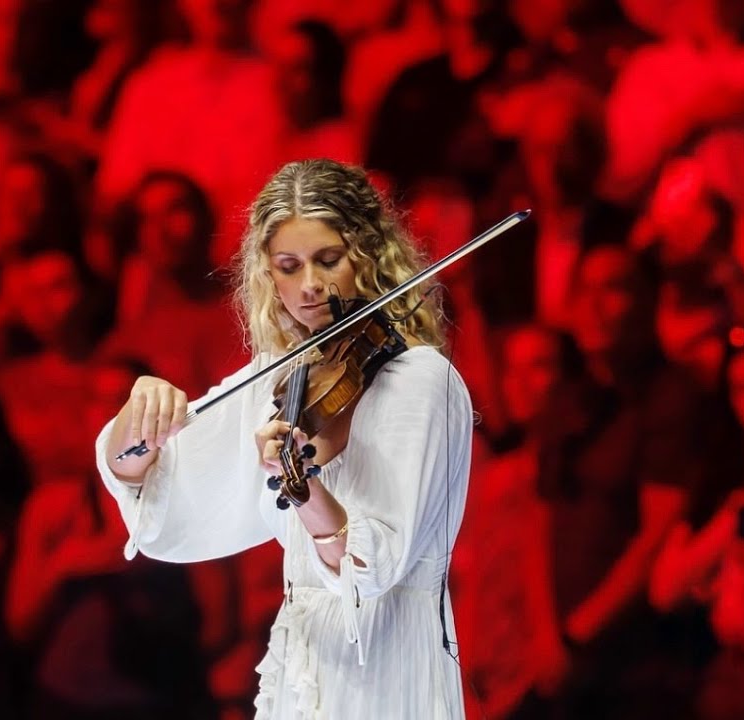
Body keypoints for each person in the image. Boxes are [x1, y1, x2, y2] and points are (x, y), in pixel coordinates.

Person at [94, 158, 475, 718]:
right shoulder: (279, 378)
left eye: (328, 260)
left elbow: (374, 571)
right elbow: (154, 486)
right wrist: (140, 416)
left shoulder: (421, 381)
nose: (311, 286)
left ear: (366, 256)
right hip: (303, 669)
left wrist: (302, 490)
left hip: (389, 671)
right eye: (289, 266)